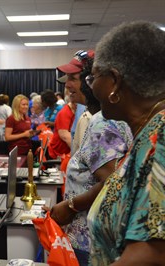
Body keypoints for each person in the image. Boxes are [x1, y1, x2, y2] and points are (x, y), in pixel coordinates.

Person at [86, 21, 165, 265]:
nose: (91, 85)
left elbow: (152, 253)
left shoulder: (160, 138)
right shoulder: (147, 131)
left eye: (94, 76)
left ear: (114, 82)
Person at [44, 54, 133, 265]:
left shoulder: (103, 122)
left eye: (76, 78)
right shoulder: (101, 117)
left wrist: (70, 206)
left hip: (92, 240)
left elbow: (112, 183)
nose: (69, 86)